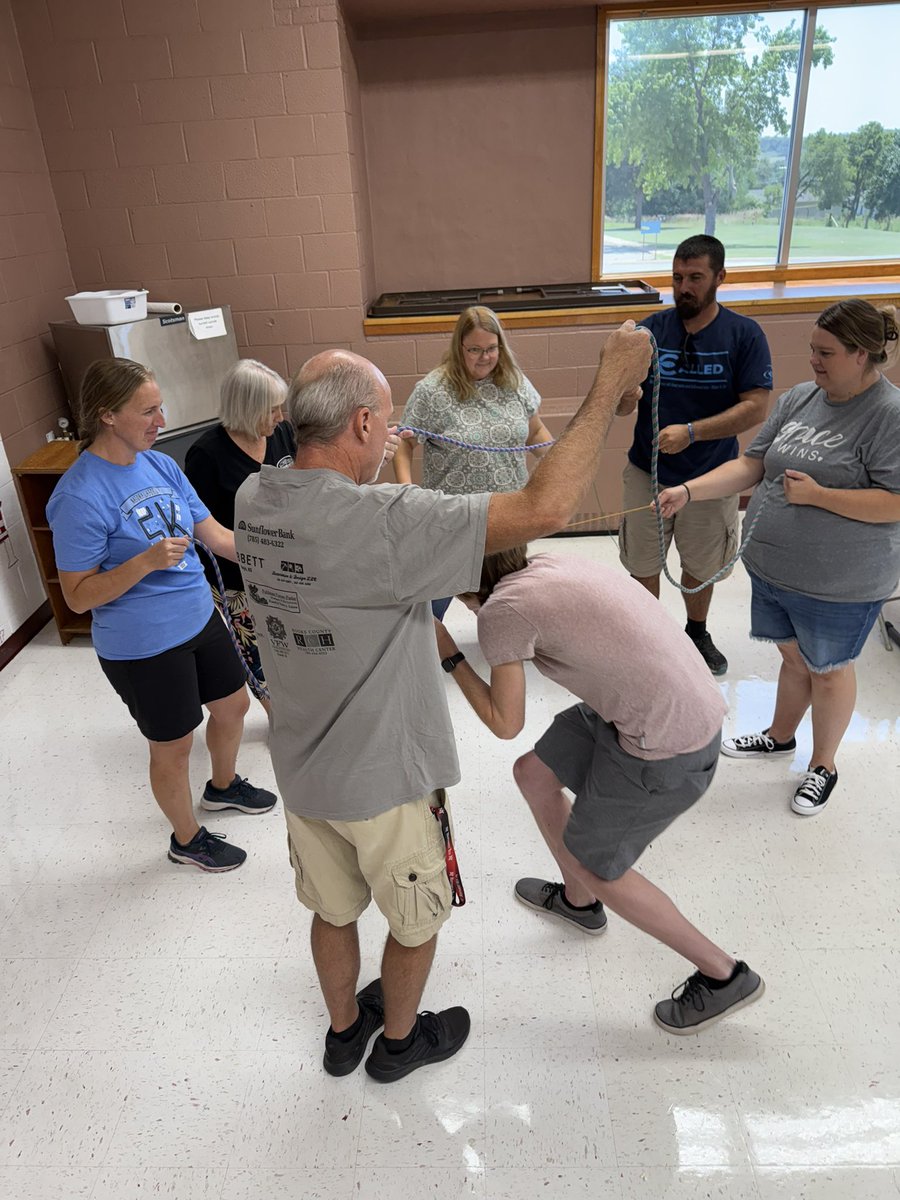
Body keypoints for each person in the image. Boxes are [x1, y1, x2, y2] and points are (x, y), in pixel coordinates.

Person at [235, 326, 651, 1081]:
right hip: (385, 782)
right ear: (362, 424)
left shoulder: (254, 494)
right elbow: (548, 504)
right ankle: (398, 1045)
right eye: (387, 419)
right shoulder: (384, 521)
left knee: (330, 911)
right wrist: (612, 379)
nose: (393, 432)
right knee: (415, 919)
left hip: (301, 771)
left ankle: (340, 1034)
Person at [434, 548, 763, 1035]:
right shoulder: (546, 563)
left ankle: (724, 975)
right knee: (533, 773)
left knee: (596, 863)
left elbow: (505, 723)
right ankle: (578, 903)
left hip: (666, 742)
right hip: (650, 707)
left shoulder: (503, 610)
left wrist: (450, 655)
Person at [657, 300, 900, 816]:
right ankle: (780, 735)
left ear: (861, 354)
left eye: (825, 352)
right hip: (773, 570)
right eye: (813, 349)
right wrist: (688, 490)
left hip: (841, 582)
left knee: (829, 669)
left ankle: (824, 765)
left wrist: (820, 497)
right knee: (793, 659)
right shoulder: (800, 399)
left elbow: (895, 502)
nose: (812, 359)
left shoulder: (889, 415)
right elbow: (753, 465)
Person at [47, 358, 277, 873]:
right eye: (147, 410)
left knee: (234, 706)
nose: (161, 419)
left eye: (160, 406)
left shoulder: (159, 464)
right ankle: (187, 839)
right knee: (172, 745)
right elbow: (79, 597)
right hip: (143, 644)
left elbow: (214, 535)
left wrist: (282, 557)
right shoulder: (79, 495)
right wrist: (145, 562)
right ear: (106, 415)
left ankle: (222, 787)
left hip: (198, 616)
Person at [618, 234, 772, 675]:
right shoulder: (649, 331)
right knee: (643, 558)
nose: (684, 286)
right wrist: (625, 396)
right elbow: (619, 403)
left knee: (701, 563)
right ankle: (647, 636)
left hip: (710, 476)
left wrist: (692, 433)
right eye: (677, 277)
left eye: (695, 278)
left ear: (720, 278)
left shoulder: (744, 334)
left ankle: (695, 631)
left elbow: (756, 407)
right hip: (646, 470)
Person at [392, 305, 553, 619]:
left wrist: (561, 465)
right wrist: (406, 492)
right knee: (436, 597)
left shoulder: (514, 381)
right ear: (459, 348)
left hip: (508, 511)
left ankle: (505, 641)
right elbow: (403, 441)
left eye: (492, 349)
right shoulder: (433, 391)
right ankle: (427, 646)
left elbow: (534, 431)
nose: (485, 357)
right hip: (455, 517)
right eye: (475, 350)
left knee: (507, 593)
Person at [184, 359, 294, 714]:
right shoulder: (207, 455)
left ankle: (297, 710)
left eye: (281, 407)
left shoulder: (282, 433)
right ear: (245, 408)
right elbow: (207, 528)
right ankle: (279, 716)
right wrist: (261, 555)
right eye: (271, 409)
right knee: (257, 656)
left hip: (284, 566)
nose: (279, 417)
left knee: (290, 647)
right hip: (236, 577)